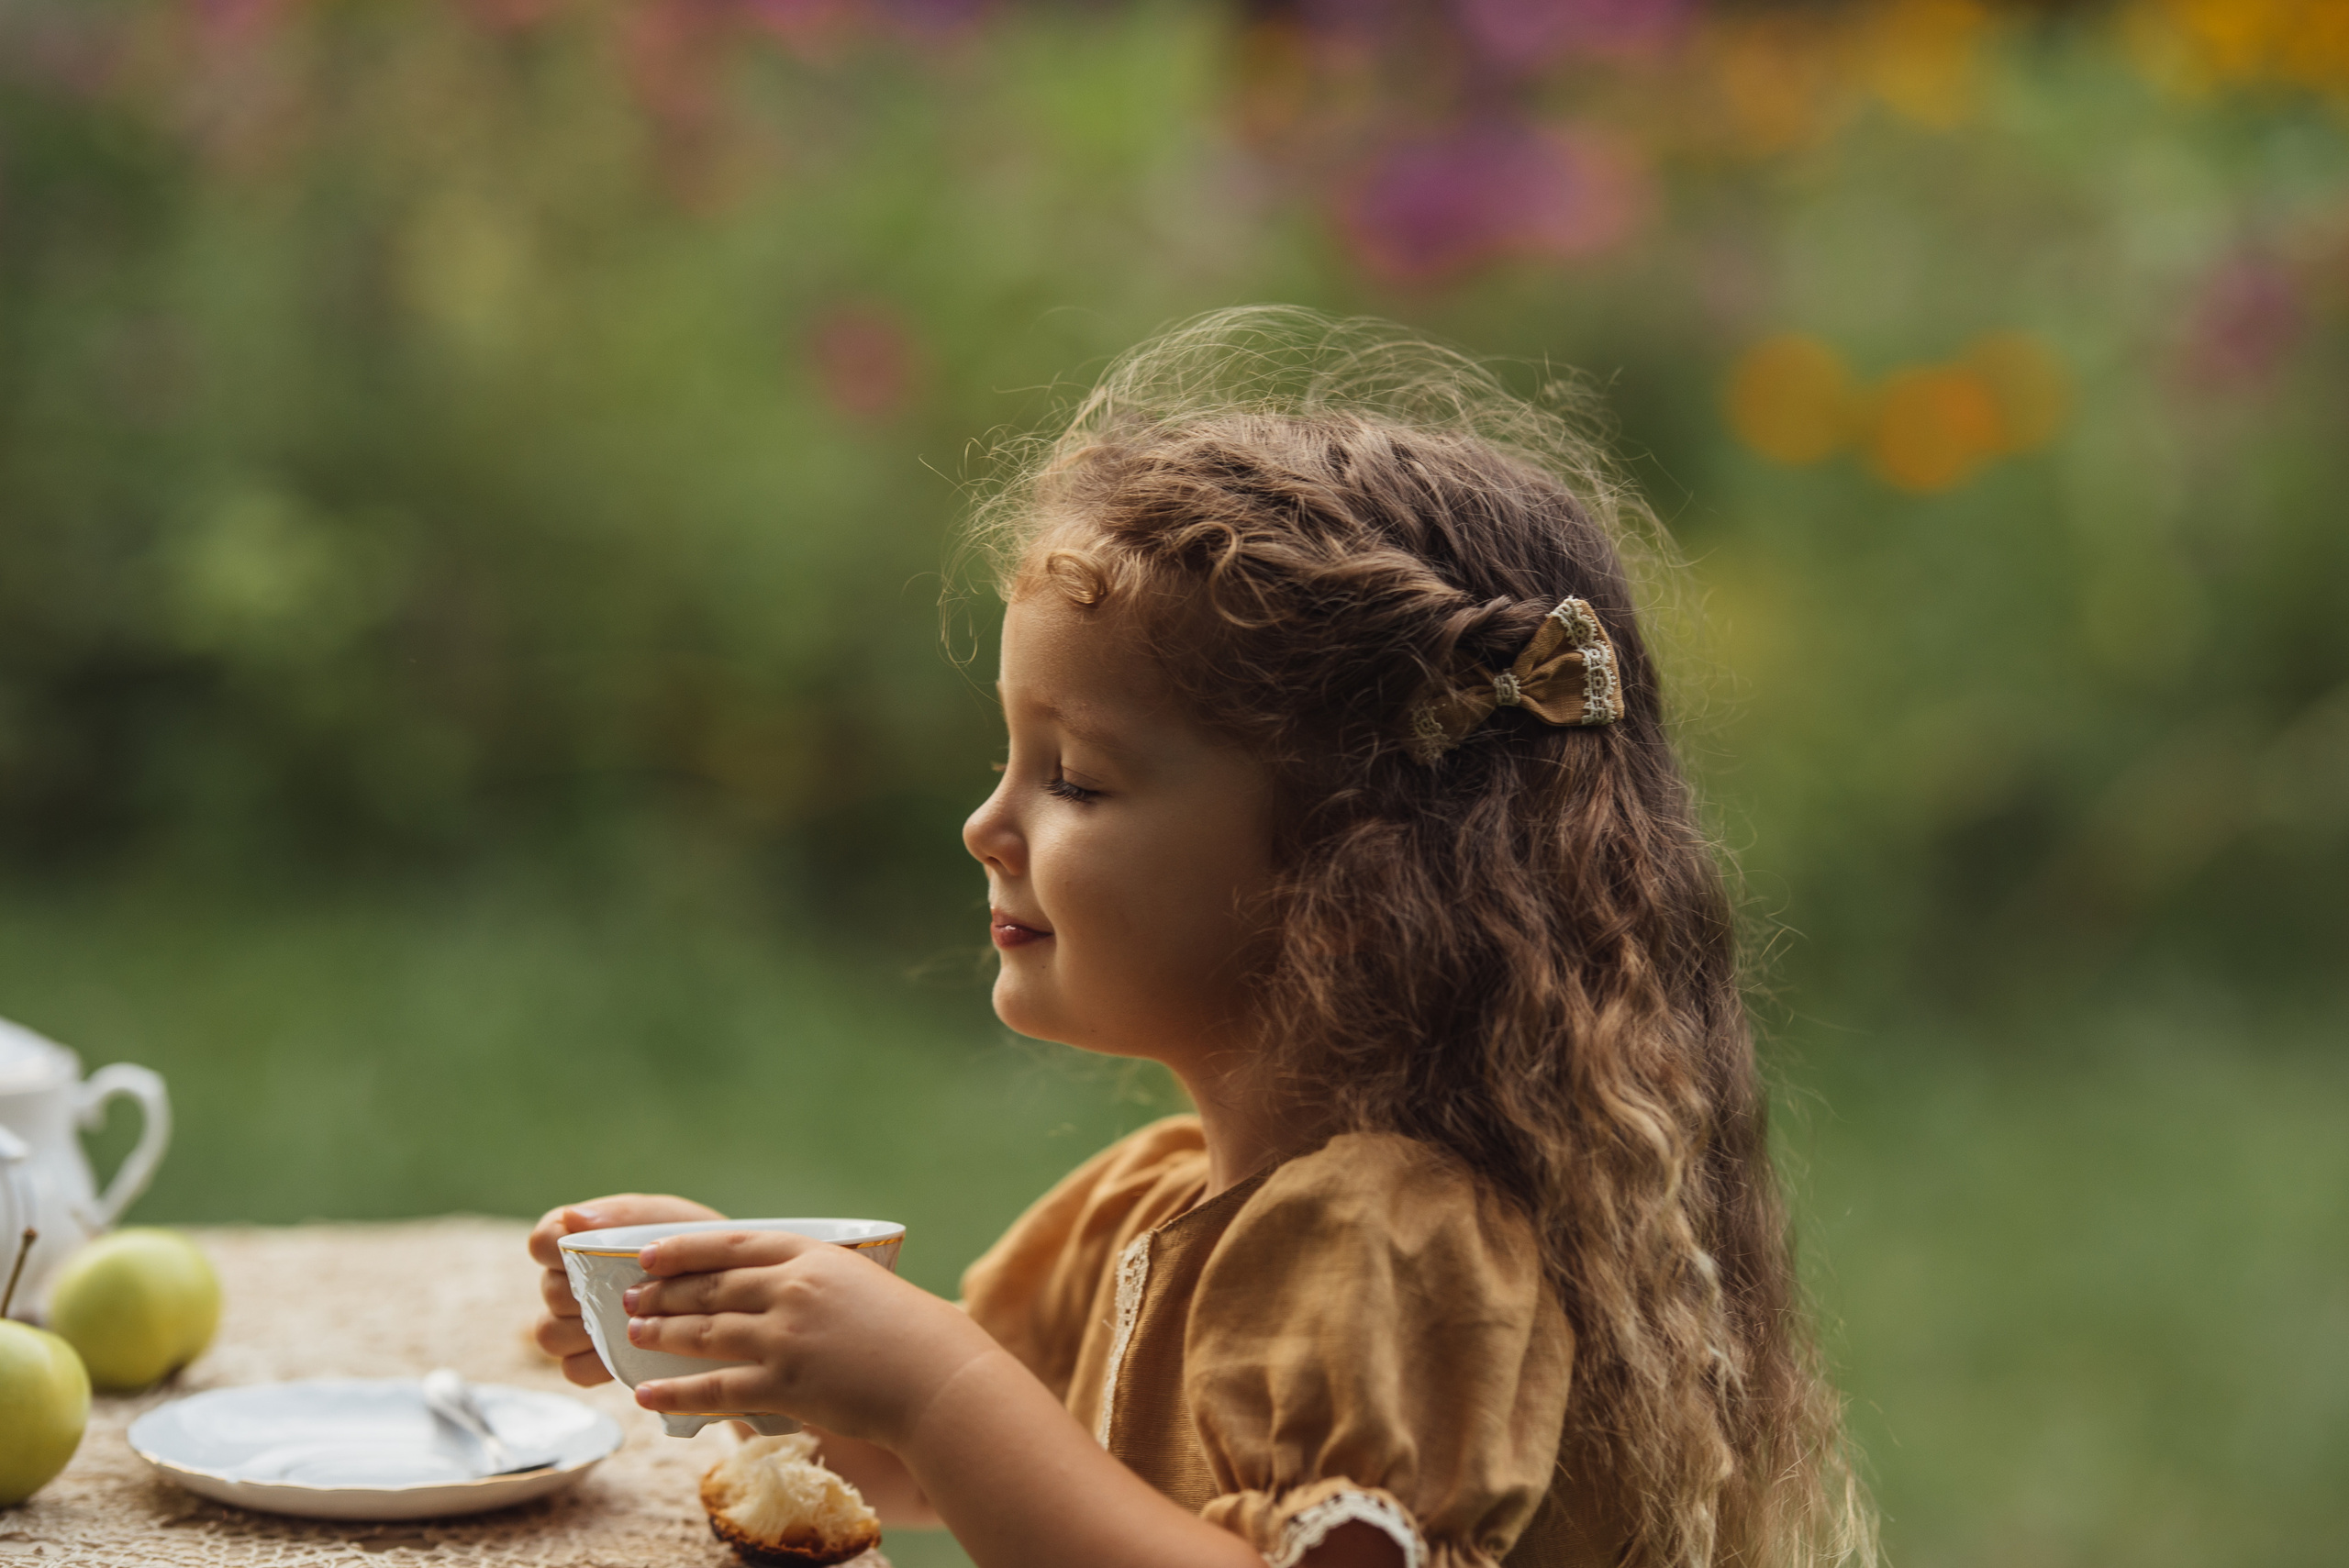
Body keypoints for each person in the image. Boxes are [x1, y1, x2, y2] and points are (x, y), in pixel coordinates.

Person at [526, 308, 1876, 1568]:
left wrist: (937, 1380)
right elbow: (944, 1470)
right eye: (1012, 760)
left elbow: (969, 1432)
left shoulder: (1396, 1248)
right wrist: (741, 1327)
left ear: (1352, 876)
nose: (985, 825)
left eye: (1078, 780)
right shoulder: (1145, 1208)